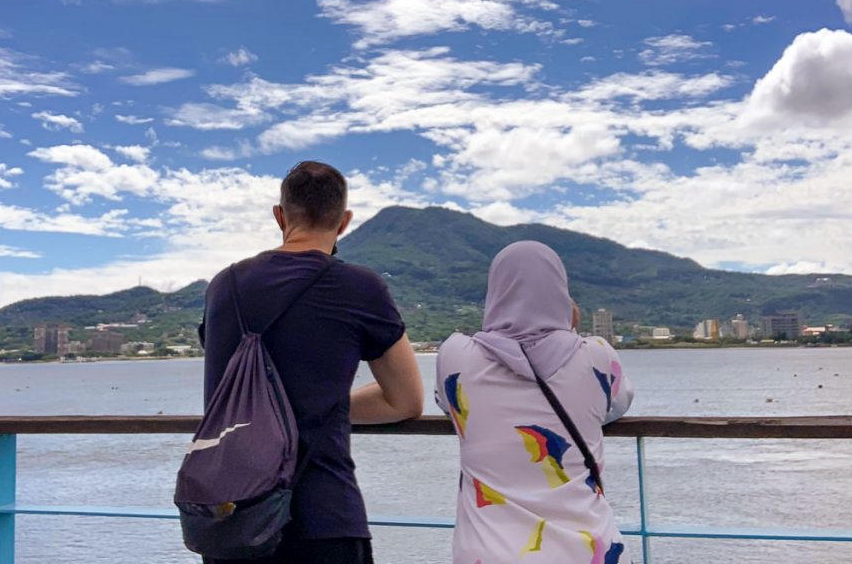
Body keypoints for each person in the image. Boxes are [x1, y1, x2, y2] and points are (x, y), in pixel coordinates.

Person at [200, 161, 424, 564]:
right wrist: (325, 409)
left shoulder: (224, 285)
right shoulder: (361, 287)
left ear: (280, 215)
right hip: (324, 517)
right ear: (344, 222)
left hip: (233, 518)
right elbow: (405, 401)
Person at [435, 240, 634, 564]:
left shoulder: (456, 355)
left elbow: (449, 406)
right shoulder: (597, 354)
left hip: (489, 553)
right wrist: (567, 331)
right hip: (589, 551)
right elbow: (616, 406)